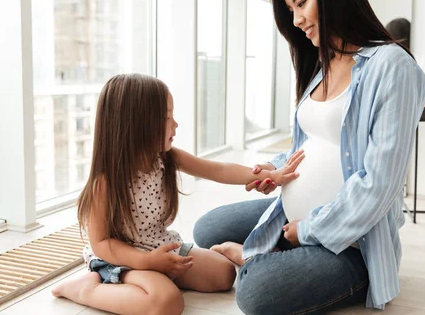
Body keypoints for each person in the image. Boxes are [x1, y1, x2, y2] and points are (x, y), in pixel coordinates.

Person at [194, 0, 425, 314]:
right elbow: (314, 144)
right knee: (208, 229)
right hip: (292, 215)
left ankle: (259, 257)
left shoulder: (392, 67)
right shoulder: (323, 65)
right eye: (291, 10)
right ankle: (277, 250)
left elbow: (380, 185)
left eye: (301, 3)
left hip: (352, 243)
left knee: (255, 295)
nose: (297, 19)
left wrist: (308, 230)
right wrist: (275, 169)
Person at [51, 74, 304, 315]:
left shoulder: (166, 158)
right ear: (136, 125)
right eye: (166, 118)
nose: (175, 124)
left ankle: (162, 275)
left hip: (159, 245)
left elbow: (218, 169)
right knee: (167, 303)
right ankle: (86, 288)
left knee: (224, 275)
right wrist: (148, 262)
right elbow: (102, 244)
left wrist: (266, 175)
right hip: (122, 258)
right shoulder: (104, 182)